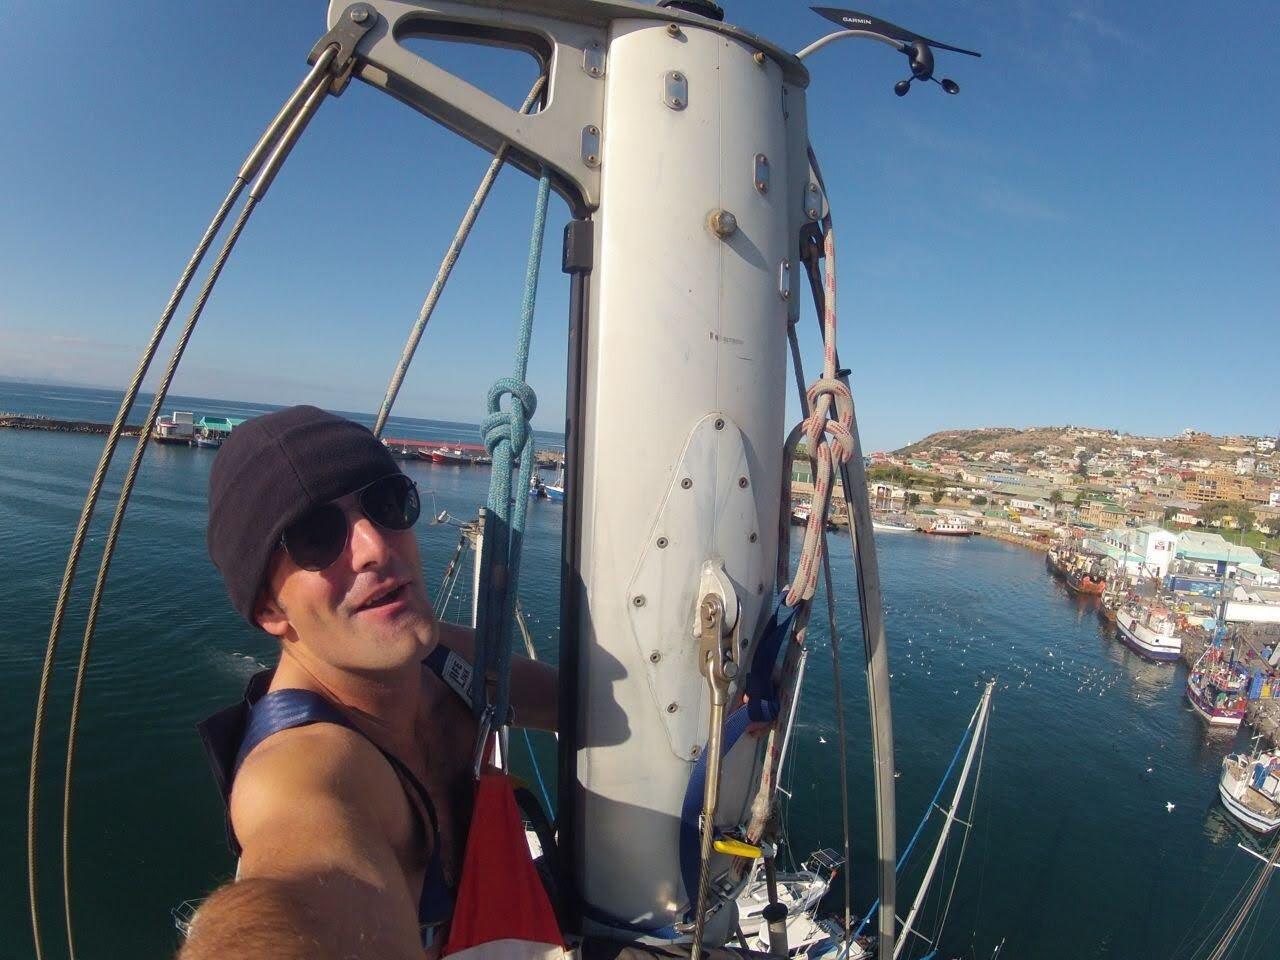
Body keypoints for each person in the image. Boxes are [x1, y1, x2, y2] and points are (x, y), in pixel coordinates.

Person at [181, 405, 557, 960]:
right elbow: (301, 894)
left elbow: (588, 703)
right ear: (270, 611)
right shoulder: (301, 770)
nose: (377, 547)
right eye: (315, 536)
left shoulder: (434, 660)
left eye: (386, 503)